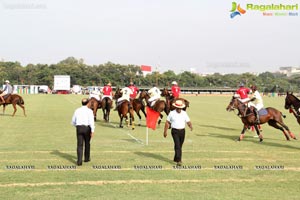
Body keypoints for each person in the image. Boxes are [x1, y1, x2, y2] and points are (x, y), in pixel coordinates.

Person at [163, 99, 193, 166]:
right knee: (177, 145)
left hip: (182, 131)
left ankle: (175, 158)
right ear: (176, 107)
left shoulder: (184, 113)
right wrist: (165, 131)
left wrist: (190, 125)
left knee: (179, 146)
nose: (179, 109)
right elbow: (167, 122)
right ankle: (179, 160)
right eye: (178, 108)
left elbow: (188, 121)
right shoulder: (172, 113)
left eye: (180, 108)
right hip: (175, 131)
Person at [71, 98, 95, 166]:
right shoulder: (89, 111)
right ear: (88, 103)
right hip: (87, 128)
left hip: (79, 128)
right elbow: (91, 122)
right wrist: (92, 130)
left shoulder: (77, 110)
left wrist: (77, 126)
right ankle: (86, 158)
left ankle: (79, 161)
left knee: (79, 145)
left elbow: (73, 121)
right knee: (87, 143)